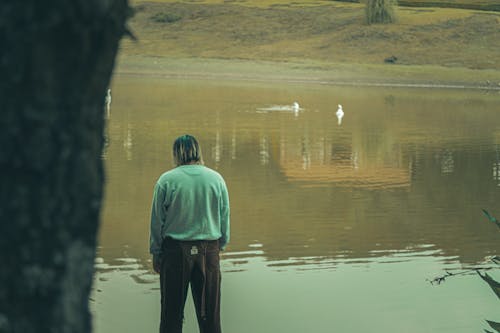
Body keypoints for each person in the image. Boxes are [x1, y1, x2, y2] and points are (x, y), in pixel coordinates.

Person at [149, 134, 230, 333]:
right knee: (210, 317)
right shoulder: (216, 179)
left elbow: (157, 221)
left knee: (171, 316)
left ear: (176, 154)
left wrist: (156, 252)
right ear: (198, 152)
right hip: (209, 251)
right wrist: (221, 245)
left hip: (175, 252)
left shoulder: (166, 180)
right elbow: (224, 217)